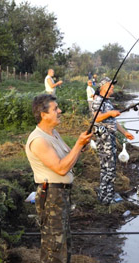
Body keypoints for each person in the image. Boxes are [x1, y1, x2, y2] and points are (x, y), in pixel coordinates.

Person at [25, 94, 92, 263]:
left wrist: (81, 147)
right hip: (51, 195)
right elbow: (61, 168)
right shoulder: (39, 140)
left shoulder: (53, 133)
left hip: (61, 195)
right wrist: (78, 144)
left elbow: (68, 159)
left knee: (64, 243)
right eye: (55, 109)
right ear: (43, 114)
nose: (60, 111)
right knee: (53, 247)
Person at [92, 77, 134, 205]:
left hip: (109, 136)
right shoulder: (98, 100)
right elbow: (96, 118)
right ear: (103, 87)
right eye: (110, 86)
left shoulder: (106, 101)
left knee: (109, 167)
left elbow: (113, 121)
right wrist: (110, 113)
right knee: (108, 168)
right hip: (104, 137)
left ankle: (107, 195)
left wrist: (124, 132)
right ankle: (106, 199)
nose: (112, 88)